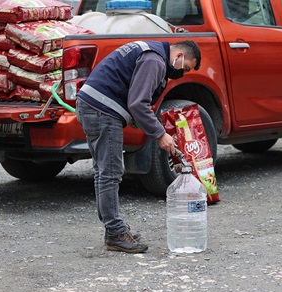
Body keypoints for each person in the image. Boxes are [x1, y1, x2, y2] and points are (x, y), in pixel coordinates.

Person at [76, 40, 201, 254]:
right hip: (102, 111)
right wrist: (160, 134)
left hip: (94, 106)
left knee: (104, 172)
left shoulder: (151, 52)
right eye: (186, 67)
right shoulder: (156, 60)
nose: (183, 72)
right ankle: (115, 233)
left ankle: (114, 228)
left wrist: (139, 119)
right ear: (179, 55)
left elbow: (132, 96)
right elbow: (137, 102)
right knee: (111, 172)